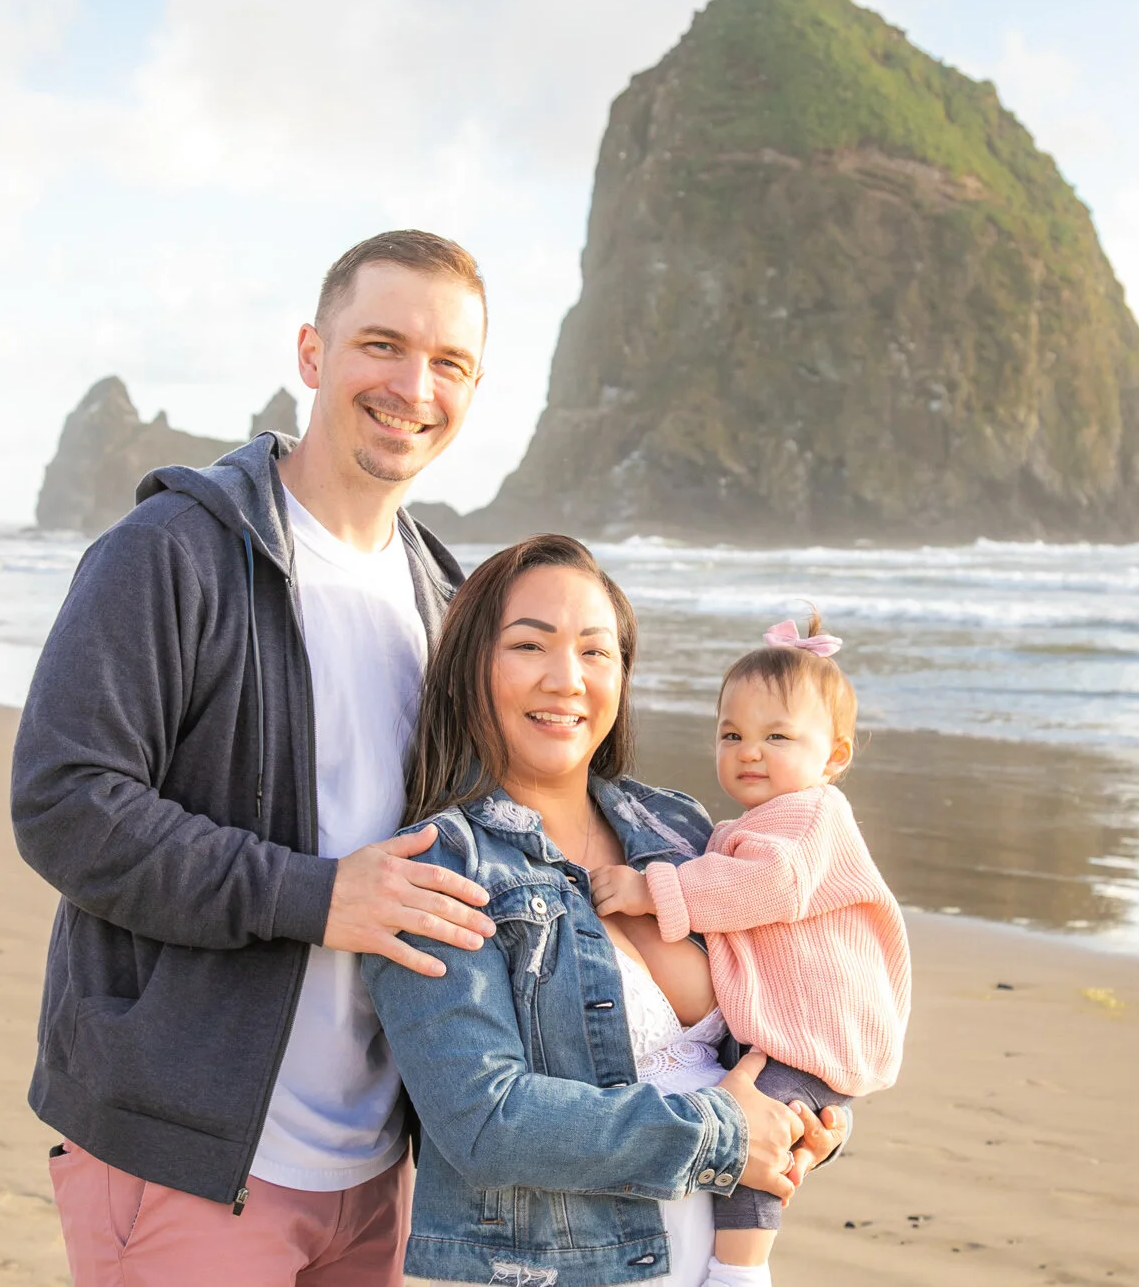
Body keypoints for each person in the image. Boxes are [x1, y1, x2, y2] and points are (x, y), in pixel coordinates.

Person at [12, 229, 501, 1286]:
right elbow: (65, 801)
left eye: (449, 362)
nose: (414, 385)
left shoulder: (447, 604)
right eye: (382, 343)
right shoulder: (170, 552)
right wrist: (313, 896)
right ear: (312, 353)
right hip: (189, 1157)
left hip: (375, 1172)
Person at [361, 535, 850, 1287]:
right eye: (531, 645)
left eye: (595, 652)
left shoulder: (681, 830)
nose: (567, 679)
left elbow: (789, 993)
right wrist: (725, 1132)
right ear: (469, 672)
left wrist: (811, 1117)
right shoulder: (438, 865)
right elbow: (485, 1121)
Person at [589, 614, 910, 1285]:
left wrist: (656, 889)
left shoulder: (816, 814)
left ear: (834, 757)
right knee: (754, 1122)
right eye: (731, 734)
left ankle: (741, 1271)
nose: (748, 751)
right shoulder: (744, 824)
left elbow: (770, 885)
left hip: (811, 1034)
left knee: (750, 1138)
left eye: (777, 736)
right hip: (785, 1032)